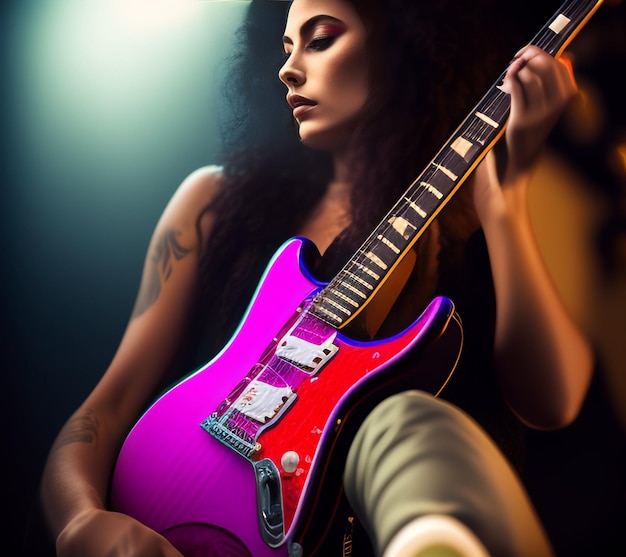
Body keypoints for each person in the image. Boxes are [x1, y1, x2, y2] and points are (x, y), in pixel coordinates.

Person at [39, 0, 594, 556]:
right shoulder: (211, 205)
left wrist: (508, 198)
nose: (288, 68)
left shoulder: (470, 224)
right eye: (285, 48)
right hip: (163, 521)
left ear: (400, 46)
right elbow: (105, 408)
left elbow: (553, 401)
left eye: (321, 38)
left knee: (404, 420)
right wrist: (80, 521)